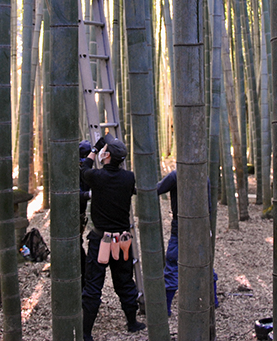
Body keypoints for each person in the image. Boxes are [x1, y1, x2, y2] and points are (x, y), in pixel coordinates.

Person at [80, 134, 145, 340]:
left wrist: (94, 149)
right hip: (122, 239)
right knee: (125, 281)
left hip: (100, 240)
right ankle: (132, 322)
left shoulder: (97, 178)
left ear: (106, 155)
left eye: (103, 151)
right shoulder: (129, 178)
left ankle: (86, 332)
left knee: (93, 285)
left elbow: (84, 170)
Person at [157, 169, 219, 316]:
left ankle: (164, 309)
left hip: (182, 226)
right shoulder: (203, 174)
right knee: (204, 263)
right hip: (201, 225)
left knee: (172, 264)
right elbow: (209, 206)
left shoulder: (176, 175)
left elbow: (156, 190)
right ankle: (213, 301)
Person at [79, 140, 93, 288]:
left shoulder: (88, 171)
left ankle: (84, 281)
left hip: (80, 214)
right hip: (72, 214)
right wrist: (88, 194)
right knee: (76, 245)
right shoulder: (73, 170)